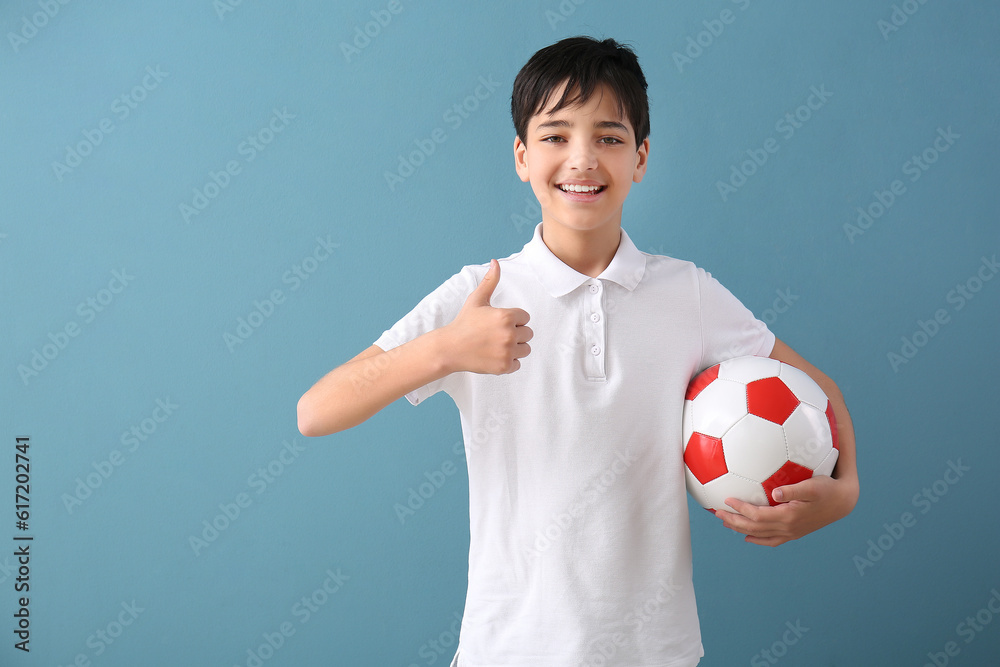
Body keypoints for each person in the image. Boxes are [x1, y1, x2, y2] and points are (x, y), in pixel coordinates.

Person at [297, 36, 858, 667]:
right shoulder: (478, 294)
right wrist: (443, 351)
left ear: (641, 157)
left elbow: (820, 391)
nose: (582, 159)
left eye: (610, 138)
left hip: (655, 652)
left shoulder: (690, 293)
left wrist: (847, 492)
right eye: (556, 136)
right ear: (521, 155)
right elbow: (316, 411)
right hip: (507, 649)